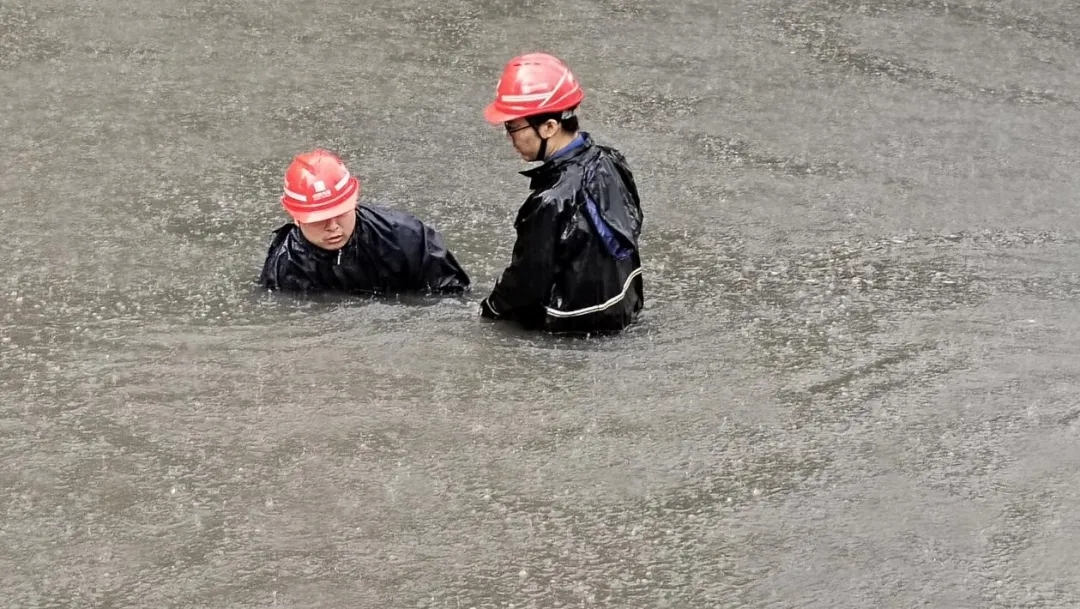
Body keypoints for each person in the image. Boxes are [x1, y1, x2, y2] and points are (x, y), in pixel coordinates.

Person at [479, 52, 645, 335]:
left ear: (549, 127)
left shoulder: (550, 201)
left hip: (570, 332)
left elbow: (525, 286)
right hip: (625, 310)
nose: (510, 138)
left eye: (512, 127)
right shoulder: (611, 161)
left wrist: (488, 310)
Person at [259, 149, 471, 295]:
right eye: (319, 219)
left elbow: (452, 294)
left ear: (354, 202)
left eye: (341, 213)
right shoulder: (282, 270)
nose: (333, 226)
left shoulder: (407, 237)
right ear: (295, 217)